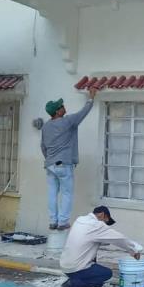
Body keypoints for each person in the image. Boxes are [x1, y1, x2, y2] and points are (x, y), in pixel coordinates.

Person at [41, 87, 98, 230]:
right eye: (61, 106)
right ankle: (62, 222)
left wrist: (50, 159)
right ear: (57, 112)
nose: (64, 107)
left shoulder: (46, 126)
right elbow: (83, 112)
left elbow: (43, 146)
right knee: (67, 193)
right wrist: (91, 97)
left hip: (50, 165)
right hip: (63, 164)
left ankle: (53, 221)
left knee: (52, 193)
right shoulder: (68, 121)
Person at [59, 206, 143, 287]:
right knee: (106, 274)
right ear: (102, 215)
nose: (105, 225)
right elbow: (119, 238)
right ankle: (73, 284)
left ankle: (75, 281)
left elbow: (90, 239)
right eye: (105, 221)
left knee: (98, 283)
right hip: (77, 268)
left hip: (65, 266)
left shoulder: (80, 220)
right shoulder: (96, 225)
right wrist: (134, 249)